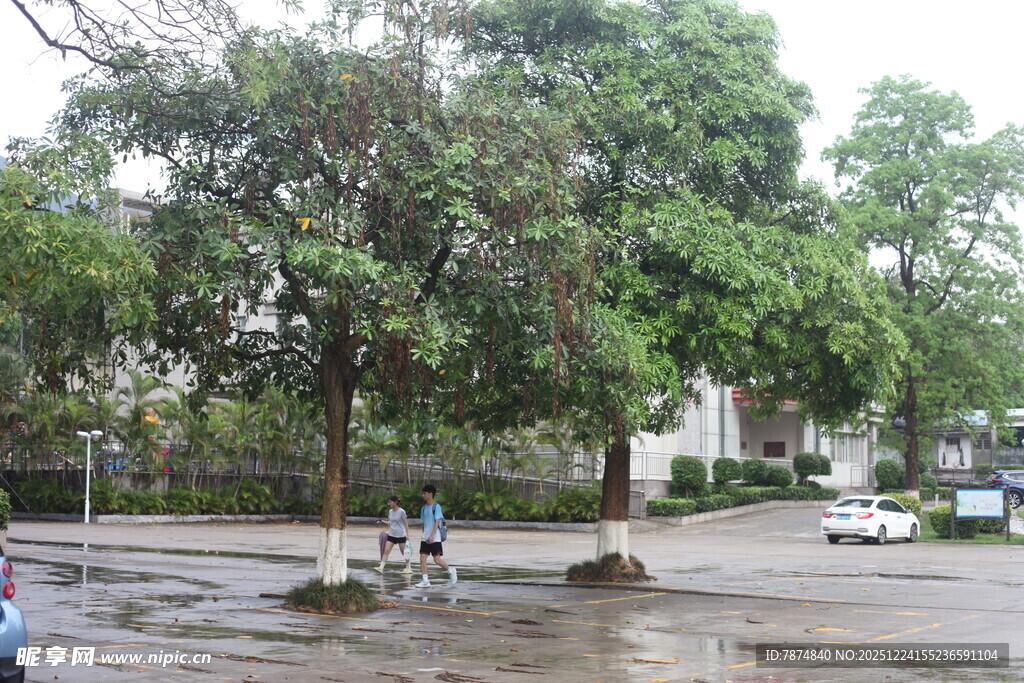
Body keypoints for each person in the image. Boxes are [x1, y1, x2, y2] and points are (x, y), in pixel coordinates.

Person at [415, 484, 456, 587]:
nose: (423, 495)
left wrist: (432, 535)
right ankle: (425, 581)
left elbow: (437, 521)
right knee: (422, 558)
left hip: (435, 537)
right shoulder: (424, 508)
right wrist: (423, 535)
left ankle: (451, 570)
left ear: (430, 494)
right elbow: (424, 523)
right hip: (425, 537)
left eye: (424, 493)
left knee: (437, 560)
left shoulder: (436, 506)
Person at [375, 496, 413, 574]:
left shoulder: (402, 511)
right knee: (386, 551)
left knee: (404, 552)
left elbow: (406, 524)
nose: (389, 504)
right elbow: (390, 522)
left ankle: (408, 567)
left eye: (390, 502)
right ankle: (381, 567)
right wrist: (382, 521)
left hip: (401, 535)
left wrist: (408, 536)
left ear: (395, 502)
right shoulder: (390, 511)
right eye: (388, 502)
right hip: (392, 534)